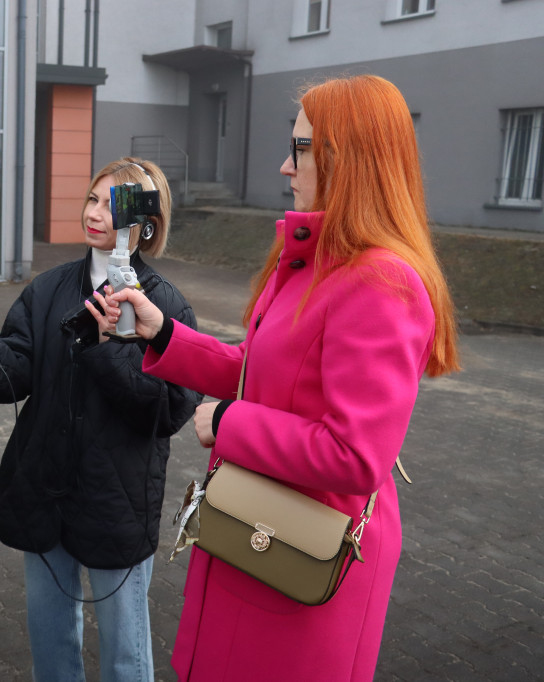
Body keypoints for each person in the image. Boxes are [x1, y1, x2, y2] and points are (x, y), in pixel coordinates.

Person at [108, 75, 461, 681]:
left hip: (305, 554)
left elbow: (354, 454)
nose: (285, 166)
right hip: (262, 531)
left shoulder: (381, 282)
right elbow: (258, 370)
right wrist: (161, 332)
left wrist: (228, 422)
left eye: (300, 149)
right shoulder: (318, 261)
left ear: (346, 157)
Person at [0, 158, 200, 681]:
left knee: (126, 651)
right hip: (44, 487)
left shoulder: (165, 304)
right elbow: (13, 373)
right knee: (50, 638)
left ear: (145, 222)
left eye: (112, 205)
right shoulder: (48, 288)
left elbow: (168, 409)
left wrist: (107, 350)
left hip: (116, 499)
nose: (94, 213)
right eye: (92, 199)